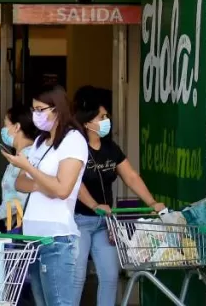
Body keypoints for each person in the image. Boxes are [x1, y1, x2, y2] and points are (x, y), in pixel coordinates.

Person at [71, 86, 165, 306]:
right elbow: (75, 182)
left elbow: (130, 176)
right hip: (79, 221)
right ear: (87, 122)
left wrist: (151, 202)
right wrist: (94, 205)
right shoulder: (76, 147)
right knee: (76, 278)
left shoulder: (110, 148)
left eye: (106, 116)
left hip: (105, 223)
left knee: (111, 276)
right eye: (102, 117)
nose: (107, 120)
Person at [2, 85, 88, 306]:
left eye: (40, 109)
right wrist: (44, 184)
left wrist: (32, 171)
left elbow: (62, 190)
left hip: (56, 239)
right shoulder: (40, 142)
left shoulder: (73, 140)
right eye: (34, 110)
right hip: (33, 238)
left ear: (57, 109)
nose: (35, 115)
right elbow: (20, 183)